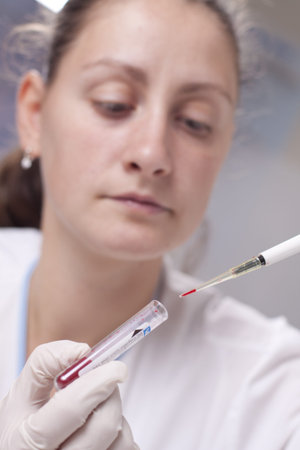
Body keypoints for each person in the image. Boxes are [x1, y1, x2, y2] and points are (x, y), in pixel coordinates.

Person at [1, 0, 300, 448]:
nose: (153, 154)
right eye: (114, 103)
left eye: (195, 122)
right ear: (34, 115)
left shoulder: (274, 386)